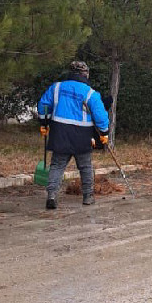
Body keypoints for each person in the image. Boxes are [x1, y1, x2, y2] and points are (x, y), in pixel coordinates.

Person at [38, 60, 110, 209]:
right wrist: (104, 132)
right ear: (85, 74)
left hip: (60, 132)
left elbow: (44, 106)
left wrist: (44, 124)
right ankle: (88, 197)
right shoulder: (90, 93)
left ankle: (51, 195)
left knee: (57, 165)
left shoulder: (56, 88)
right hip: (82, 135)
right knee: (85, 167)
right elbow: (100, 115)